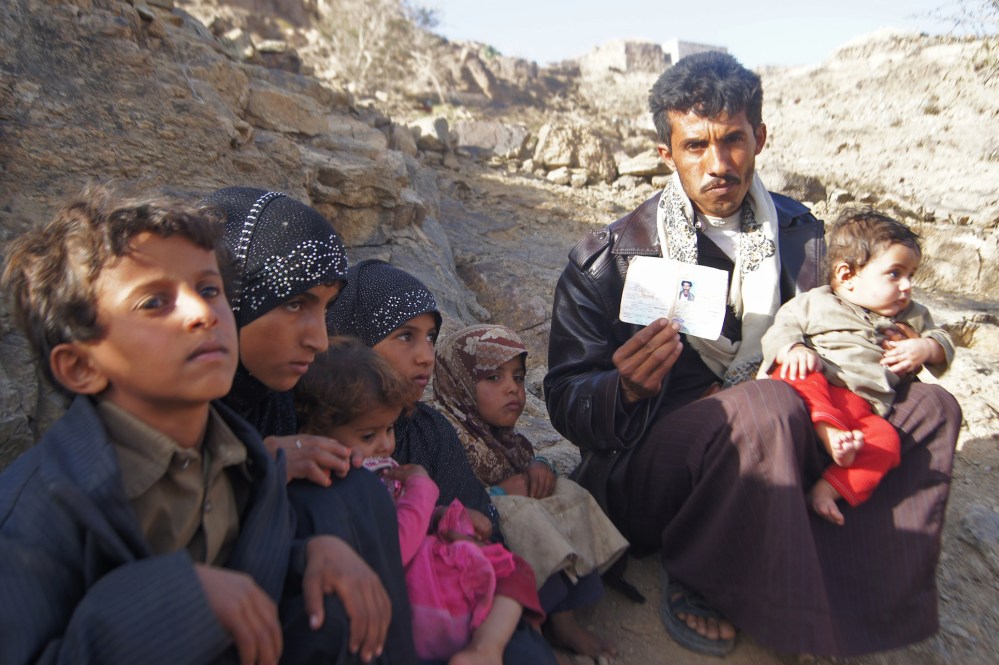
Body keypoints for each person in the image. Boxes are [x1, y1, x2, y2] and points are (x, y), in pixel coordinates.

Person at [544, 51, 962, 658]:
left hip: (797, 428)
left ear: (759, 139)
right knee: (766, 404)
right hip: (656, 468)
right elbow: (565, 400)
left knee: (932, 409)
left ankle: (847, 577)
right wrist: (624, 388)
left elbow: (849, 320)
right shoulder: (608, 259)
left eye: (733, 140)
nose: (718, 164)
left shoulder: (802, 235)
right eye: (695, 146)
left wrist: (892, 346)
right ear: (666, 154)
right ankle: (708, 573)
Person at [0, 185, 379, 665]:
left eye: (209, 290)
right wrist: (174, 600)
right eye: (154, 302)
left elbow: (241, 570)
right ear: (80, 366)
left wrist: (309, 555)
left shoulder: (244, 464)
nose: (203, 314)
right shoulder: (38, 511)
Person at [200, 187, 416, 664]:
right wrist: (261, 463)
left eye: (326, 307)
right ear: (233, 295)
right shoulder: (175, 411)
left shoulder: (276, 398)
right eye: (296, 303)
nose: (319, 339)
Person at [329, 259, 558, 665]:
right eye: (405, 336)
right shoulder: (317, 432)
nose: (426, 356)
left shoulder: (430, 430)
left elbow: (485, 533)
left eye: (431, 338)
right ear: (355, 341)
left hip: (451, 603)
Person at [294, 336, 545, 664]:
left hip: (426, 563)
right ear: (316, 435)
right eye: (368, 436)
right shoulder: (332, 487)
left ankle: (488, 648)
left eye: (389, 429)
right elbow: (391, 546)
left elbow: (400, 508)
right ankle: (486, 647)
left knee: (513, 567)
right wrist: (423, 491)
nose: (386, 445)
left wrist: (444, 516)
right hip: (411, 588)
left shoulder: (390, 457)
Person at [433, 324, 628, 661]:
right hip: (480, 540)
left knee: (566, 491)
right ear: (460, 382)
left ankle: (563, 619)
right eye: (494, 377)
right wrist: (495, 493)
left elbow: (526, 459)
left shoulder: (504, 437)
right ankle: (528, 621)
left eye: (519, 378)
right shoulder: (446, 437)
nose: (513, 388)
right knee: (521, 515)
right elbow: (450, 503)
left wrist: (540, 465)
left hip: (515, 516)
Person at [759, 209, 955, 525]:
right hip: (822, 384)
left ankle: (828, 490)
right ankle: (829, 432)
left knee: (886, 443)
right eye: (895, 274)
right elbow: (781, 327)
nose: (907, 286)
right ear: (847, 276)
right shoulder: (815, 302)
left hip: (865, 407)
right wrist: (793, 348)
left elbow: (942, 339)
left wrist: (925, 347)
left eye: (911, 275)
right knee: (796, 372)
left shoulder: (910, 315)